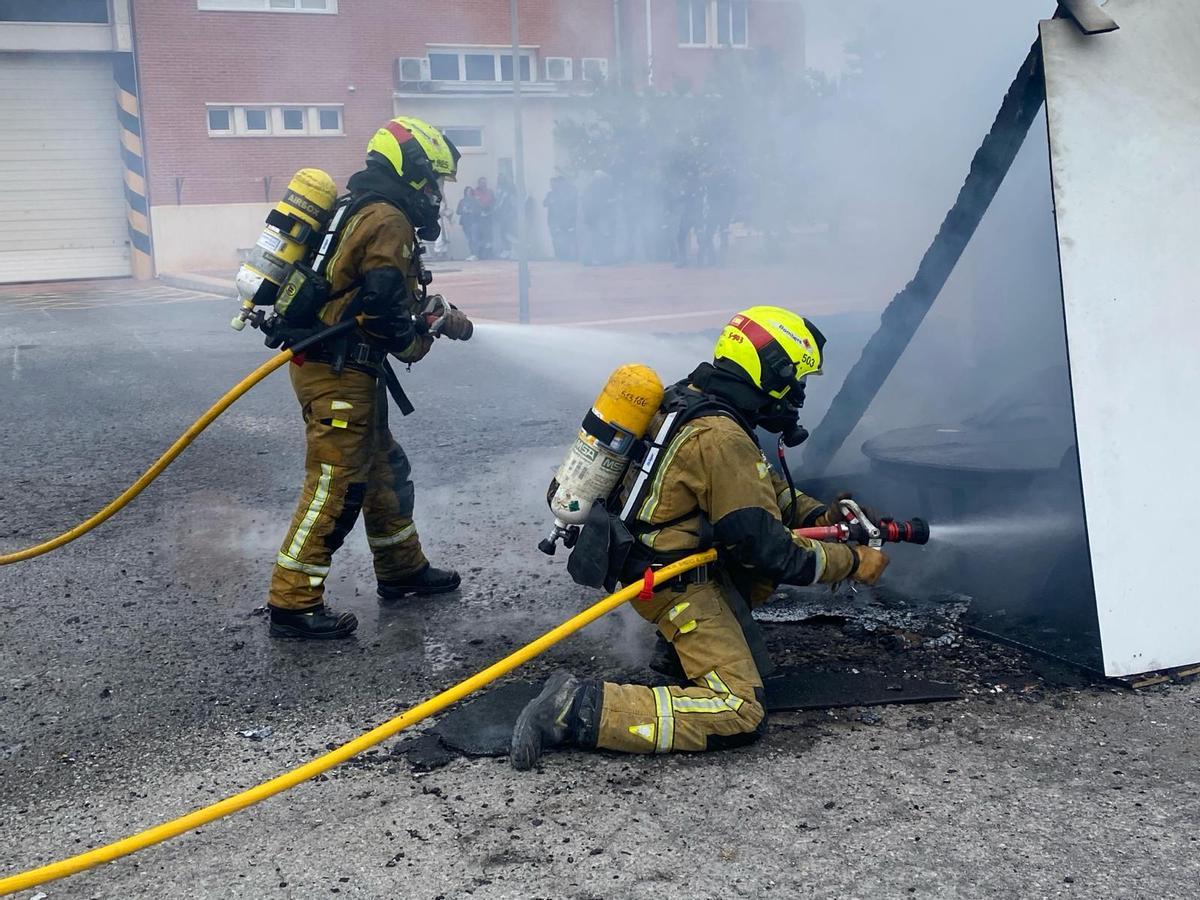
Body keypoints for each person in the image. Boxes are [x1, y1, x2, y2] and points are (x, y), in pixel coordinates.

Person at [510, 306, 889, 766]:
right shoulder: (720, 436)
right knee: (738, 709)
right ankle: (573, 708)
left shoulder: (690, 399)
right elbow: (769, 551)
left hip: (651, 563)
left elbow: (760, 489)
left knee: (751, 553)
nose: (799, 395)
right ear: (772, 372)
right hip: (675, 585)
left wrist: (823, 515)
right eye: (797, 380)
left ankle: (678, 655)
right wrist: (853, 562)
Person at [266, 116, 474, 640]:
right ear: (413, 172)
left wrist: (423, 314)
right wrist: (418, 340)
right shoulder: (388, 219)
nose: (436, 193)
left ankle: (401, 569)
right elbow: (383, 312)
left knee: (383, 469)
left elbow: (371, 296)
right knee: (335, 484)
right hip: (337, 372)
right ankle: (292, 602)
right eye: (433, 181)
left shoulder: (364, 209)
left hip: (345, 367)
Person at [543, 176, 577, 261]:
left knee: (563, 238)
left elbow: (568, 206)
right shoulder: (550, 194)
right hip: (552, 221)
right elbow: (544, 203)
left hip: (562, 221)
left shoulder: (563, 194)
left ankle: (564, 256)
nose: (552, 185)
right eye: (551, 184)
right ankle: (558, 256)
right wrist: (550, 202)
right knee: (555, 239)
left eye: (553, 183)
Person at [456, 186, 481, 260]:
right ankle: (472, 254)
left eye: (470, 191)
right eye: (467, 191)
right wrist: (463, 210)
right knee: (469, 239)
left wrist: (471, 211)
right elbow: (458, 211)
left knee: (474, 239)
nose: (469, 193)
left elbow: (479, 211)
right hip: (465, 223)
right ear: (465, 192)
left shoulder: (475, 201)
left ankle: (476, 254)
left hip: (474, 222)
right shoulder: (462, 201)